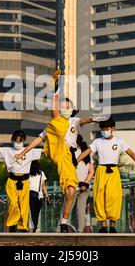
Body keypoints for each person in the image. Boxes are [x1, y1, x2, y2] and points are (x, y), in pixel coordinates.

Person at [15, 87, 103, 233]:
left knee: (71, 191)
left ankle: (63, 222)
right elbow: (38, 140)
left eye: (68, 107)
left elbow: (84, 120)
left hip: (70, 157)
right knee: (56, 121)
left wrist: (93, 118)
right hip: (59, 153)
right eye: (63, 107)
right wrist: (23, 151)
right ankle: (54, 91)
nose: (66, 109)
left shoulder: (74, 121)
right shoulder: (55, 123)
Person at [77, 116, 135, 233]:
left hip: (113, 171)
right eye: (102, 129)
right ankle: (103, 226)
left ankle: (112, 226)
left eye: (107, 128)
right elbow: (87, 152)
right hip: (101, 171)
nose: (104, 131)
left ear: (113, 128)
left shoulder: (119, 142)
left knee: (114, 198)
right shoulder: (97, 141)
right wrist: (76, 161)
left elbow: (130, 152)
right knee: (99, 197)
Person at [73, 134, 95, 233]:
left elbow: (91, 171)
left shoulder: (75, 153)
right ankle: (78, 232)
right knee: (74, 211)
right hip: (77, 186)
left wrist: (84, 184)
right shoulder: (86, 153)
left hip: (78, 186)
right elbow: (91, 172)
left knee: (74, 211)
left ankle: (78, 231)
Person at [29, 160, 50, 232]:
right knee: (37, 212)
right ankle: (35, 226)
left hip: (29, 195)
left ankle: (34, 226)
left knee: (32, 211)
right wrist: (47, 196)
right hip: (39, 195)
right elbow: (43, 185)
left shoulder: (28, 173)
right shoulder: (41, 173)